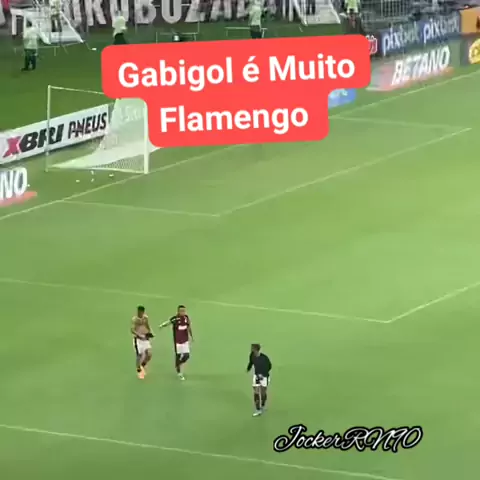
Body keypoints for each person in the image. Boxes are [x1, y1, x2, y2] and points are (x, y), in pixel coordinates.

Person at [159, 305, 193, 380]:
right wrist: (162, 325)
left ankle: (178, 364)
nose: (183, 312)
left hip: (185, 340)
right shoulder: (175, 318)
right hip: (178, 341)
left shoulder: (186, 318)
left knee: (187, 355)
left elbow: (189, 326)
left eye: (184, 311)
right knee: (178, 355)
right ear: (178, 311)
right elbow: (168, 322)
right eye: (181, 311)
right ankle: (179, 372)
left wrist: (191, 336)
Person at [246, 344, 272, 416]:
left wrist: (262, 374)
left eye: (252, 348)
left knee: (263, 393)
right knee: (256, 392)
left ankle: (263, 405)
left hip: (264, 377)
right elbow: (251, 362)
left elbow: (269, 366)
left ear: (256, 349)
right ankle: (258, 409)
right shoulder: (252, 355)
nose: (251, 349)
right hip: (257, 376)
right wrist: (248, 368)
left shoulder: (264, 358)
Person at [131, 305, 153, 379]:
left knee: (149, 354)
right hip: (138, 340)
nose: (139, 313)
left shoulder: (145, 318)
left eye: (141, 312)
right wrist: (139, 335)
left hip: (145, 339)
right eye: (138, 312)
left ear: (143, 312)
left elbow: (147, 325)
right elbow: (132, 330)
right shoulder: (135, 319)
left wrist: (150, 332)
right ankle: (139, 370)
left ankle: (142, 365)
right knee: (139, 355)